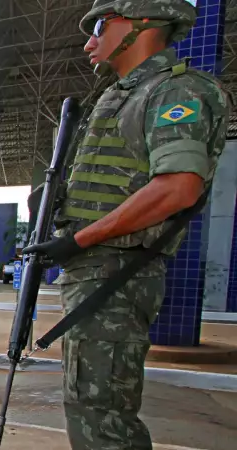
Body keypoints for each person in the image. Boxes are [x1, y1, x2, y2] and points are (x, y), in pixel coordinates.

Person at [22, 1, 232, 449]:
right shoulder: (120, 96)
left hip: (115, 272)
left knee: (103, 421)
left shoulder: (175, 93)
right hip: (97, 273)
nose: (88, 42)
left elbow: (177, 187)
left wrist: (80, 239)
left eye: (100, 26)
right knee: (91, 410)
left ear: (143, 24)